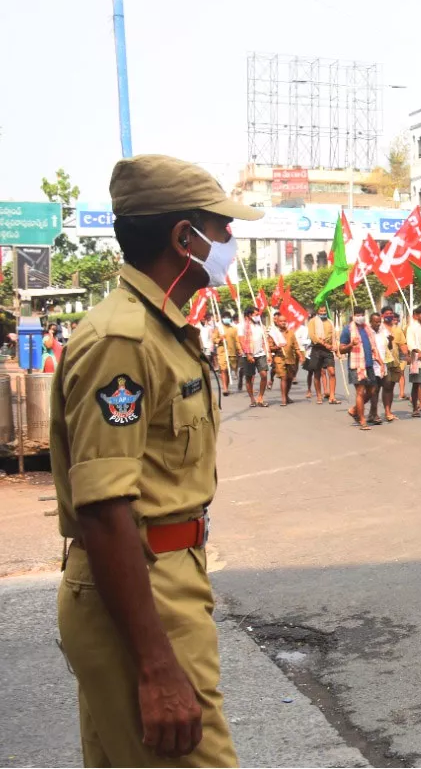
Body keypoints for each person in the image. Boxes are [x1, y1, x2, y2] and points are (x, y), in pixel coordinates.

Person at [49, 153, 260, 766]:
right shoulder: (125, 340)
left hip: (160, 577)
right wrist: (157, 666)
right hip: (143, 590)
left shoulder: (159, 328)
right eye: (220, 228)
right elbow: (105, 507)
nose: (228, 240)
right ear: (182, 238)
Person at [341, 306, 385, 430]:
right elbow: (341, 348)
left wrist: (381, 363)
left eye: (362, 314)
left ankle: (354, 410)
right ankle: (362, 420)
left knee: (372, 391)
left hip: (369, 364)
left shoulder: (367, 329)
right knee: (360, 392)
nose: (360, 317)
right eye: (358, 315)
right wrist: (351, 344)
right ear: (353, 316)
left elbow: (373, 348)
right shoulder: (347, 330)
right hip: (356, 366)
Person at [238, 306, 270, 407]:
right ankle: (252, 399)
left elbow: (264, 340)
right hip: (248, 355)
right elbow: (242, 341)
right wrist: (248, 354)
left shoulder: (260, 325)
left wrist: (268, 353)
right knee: (249, 377)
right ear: (249, 315)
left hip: (260, 354)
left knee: (264, 375)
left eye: (258, 315)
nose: (258, 316)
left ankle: (260, 397)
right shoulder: (242, 326)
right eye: (256, 315)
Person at [307, 305, 339, 405]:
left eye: (324, 311)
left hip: (328, 351)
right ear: (317, 312)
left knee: (332, 372)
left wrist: (335, 348)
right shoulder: (312, 321)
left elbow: (333, 336)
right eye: (321, 311)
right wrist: (324, 343)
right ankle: (319, 395)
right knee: (317, 374)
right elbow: (312, 336)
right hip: (317, 349)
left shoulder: (330, 322)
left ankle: (332, 396)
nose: (323, 313)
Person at [379, 306, 406, 422]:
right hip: (382, 362)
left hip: (394, 362)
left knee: (390, 387)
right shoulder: (379, 328)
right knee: (382, 387)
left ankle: (388, 411)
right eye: (387, 313)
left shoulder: (397, 329)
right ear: (382, 316)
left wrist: (407, 356)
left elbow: (403, 345)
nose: (389, 315)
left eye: (391, 313)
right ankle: (381, 412)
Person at [268, 312, 300, 406]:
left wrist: (300, 355)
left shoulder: (291, 333)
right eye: (281, 321)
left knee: (290, 378)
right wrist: (277, 347)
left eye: (284, 321)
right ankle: (283, 399)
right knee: (283, 377)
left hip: (290, 358)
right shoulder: (273, 334)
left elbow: (296, 346)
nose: (283, 323)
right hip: (279, 358)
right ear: (277, 322)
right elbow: (269, 347)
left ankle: (286, 395)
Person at [214, 313, 238, 396]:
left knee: (228, 371)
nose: (226, 319)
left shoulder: (234, 329)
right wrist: (220, 339)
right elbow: (214, 339)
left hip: (232, 353)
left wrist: (240, 350)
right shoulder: (219, 329)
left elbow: (237, 341)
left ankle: (226, 386)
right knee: (223, 369)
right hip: (222, 352)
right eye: (225, 317)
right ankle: (225, 388)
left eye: (228, 317)